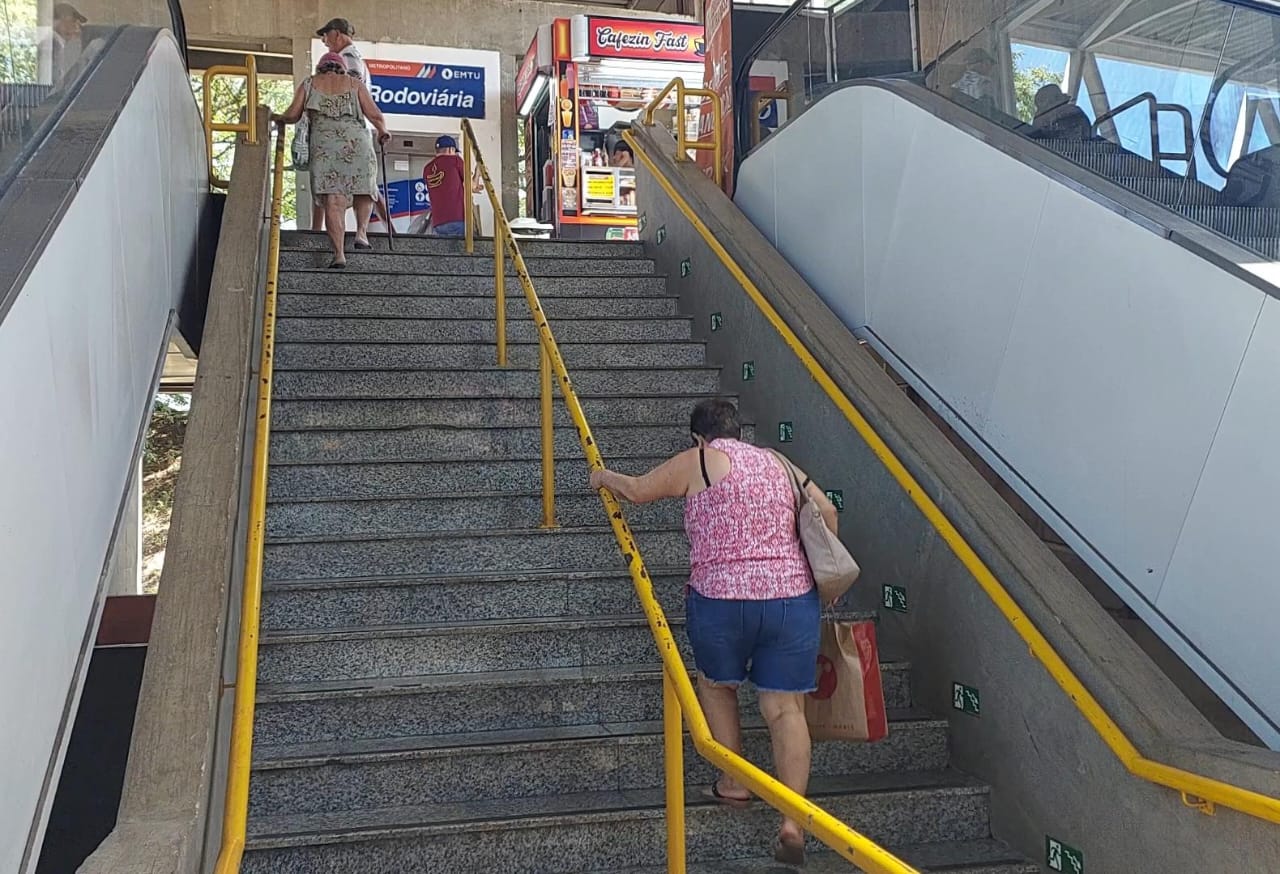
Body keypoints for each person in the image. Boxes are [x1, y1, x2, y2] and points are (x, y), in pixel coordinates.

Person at [588, 398, 837, 867]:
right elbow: (827, 514)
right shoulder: (781, 464)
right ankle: (792, 822)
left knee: (717, 686)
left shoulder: (700, 458)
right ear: (738, 431)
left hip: (721, 599)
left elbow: (639, 491)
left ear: (699, 436)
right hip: (790, 600)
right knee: (784, 708)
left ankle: (735, 782)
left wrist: (604, 477)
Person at [274, 52, 390, 268]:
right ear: (342, 68)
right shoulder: (355, 84)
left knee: (332, 200)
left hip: (325, 148)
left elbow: (292, 115)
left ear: (321, 68)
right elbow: (374, 114)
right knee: (364, 189)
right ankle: (361, 234)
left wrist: (275, 118)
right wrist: (383, 130)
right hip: (356, 143)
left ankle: (339, 254)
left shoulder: (310, 83)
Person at [312, 18, 393, 236]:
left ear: (337, 34)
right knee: (366, 185)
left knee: (326, 182)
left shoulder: (347, 60)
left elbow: (348, 94)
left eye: (326, 36)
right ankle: (390, 230)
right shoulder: (357, 59)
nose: (325, 41)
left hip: (344, 131)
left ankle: (317, 231)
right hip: (356, 132)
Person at [423, 135, 469, 237]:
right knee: (459, 251)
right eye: (454, 151)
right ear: (450, 149)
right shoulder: (455, 160)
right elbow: (471, 186)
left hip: (437, 222)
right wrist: (478, 174)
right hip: (457, 217)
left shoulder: (427, 168)